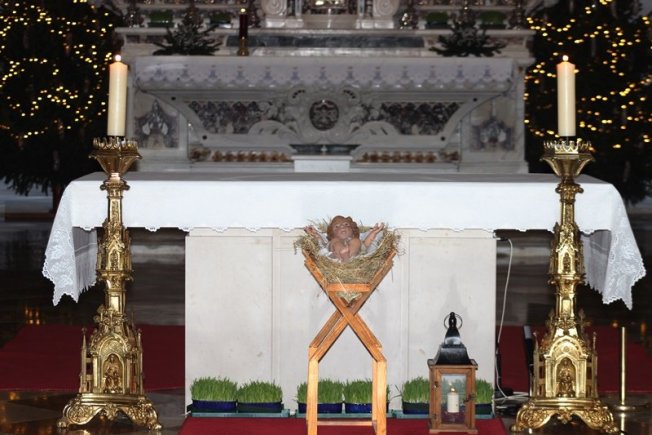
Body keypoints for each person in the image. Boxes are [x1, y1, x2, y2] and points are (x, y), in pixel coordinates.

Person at [305, 216, 384, 262]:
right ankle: (342, 256)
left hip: (354, 258)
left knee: (356, 241)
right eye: (337, 227)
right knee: (335, 242)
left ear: (353, 230)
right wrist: (316, 234)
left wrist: (373, 233)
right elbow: (321, 243)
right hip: (335, 257)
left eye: (346, 224)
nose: (342, 227)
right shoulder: (333, 240)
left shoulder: (355, 239)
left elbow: (367, 244)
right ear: (332, 234)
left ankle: (348, 257)